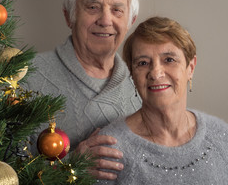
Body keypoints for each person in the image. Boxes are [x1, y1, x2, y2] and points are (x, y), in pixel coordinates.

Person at [23, 0, 141, 179]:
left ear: (130, 21)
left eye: (117, 10)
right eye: (93, 7)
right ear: (69, 16)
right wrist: (73, 166)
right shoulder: (27, 77)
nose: (106, 20)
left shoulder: (142, 84)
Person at [97, 16, 228, 184]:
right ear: (132, 74)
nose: (156, 73)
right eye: (143, 63)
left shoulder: (221, 136)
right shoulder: (109, 149)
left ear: (191, 68)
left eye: (169, 60)